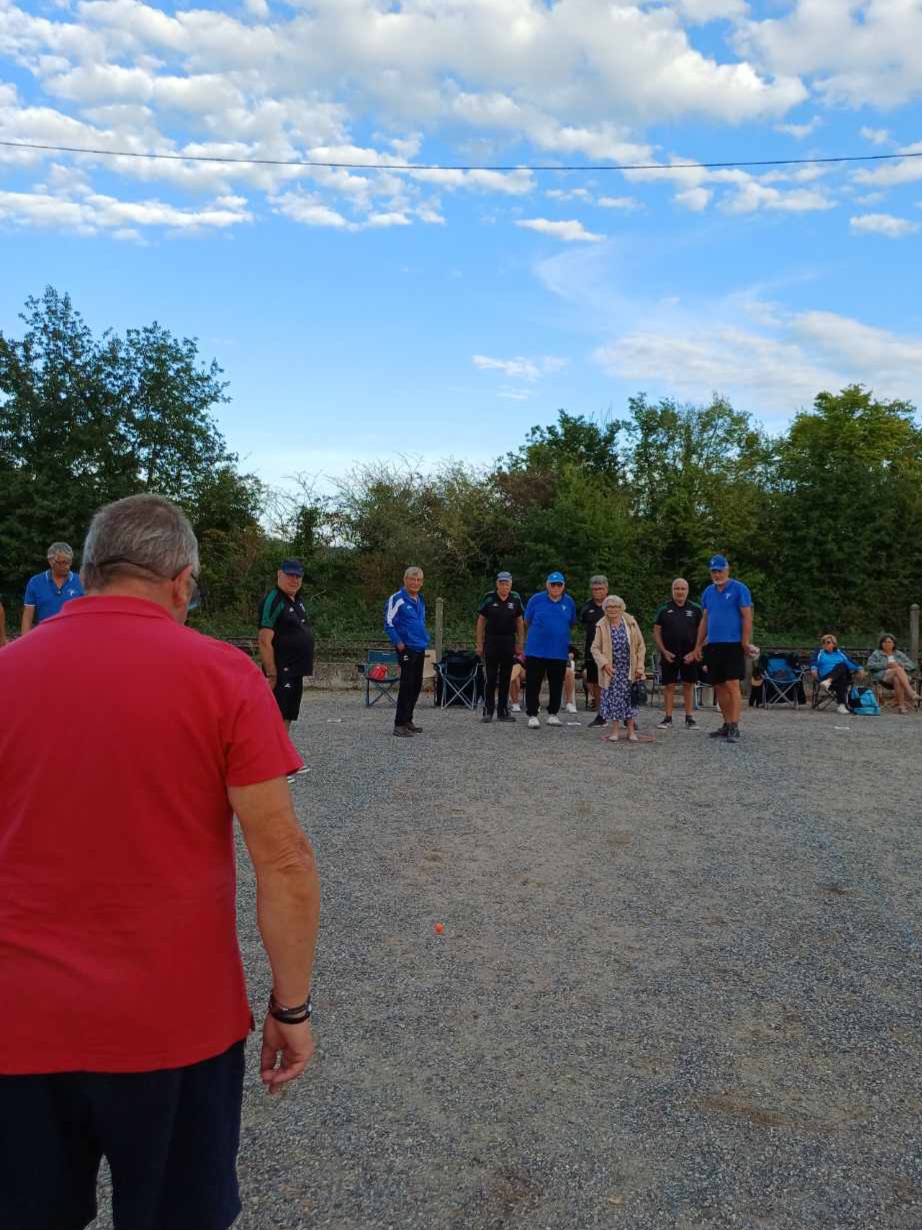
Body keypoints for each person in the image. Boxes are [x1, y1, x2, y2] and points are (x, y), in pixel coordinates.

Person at [0, 494, 320, 1230]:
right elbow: (285, 861)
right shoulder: (222, 675)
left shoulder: (9, 671)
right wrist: (290, 1005)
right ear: (182, 581)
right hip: (174, 1026)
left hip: (19, 1024)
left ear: (84, 573)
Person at [693, 554, 753, 744]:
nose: (717, 575)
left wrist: (744, 642)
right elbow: (704, 619)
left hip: (732, 644)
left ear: (727, 570)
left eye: (720, 571)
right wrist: (698, 645)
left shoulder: (739, 589)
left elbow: (747, 617)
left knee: (732, 684)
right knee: (718, 685)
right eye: (714, 571)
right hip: (714, 645)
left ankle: (735, 725)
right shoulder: (708, 592)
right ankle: (726, 723)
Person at [258, 560, 315, 739]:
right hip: (282, 670)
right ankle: (274, 759)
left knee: (288, 714)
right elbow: (264, 640)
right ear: (279, 574)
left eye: (298, 576)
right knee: (277, 715)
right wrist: (271, 674)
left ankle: (282, 757)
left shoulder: (297, 601)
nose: (295, 580)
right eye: (290, 575)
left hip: (295, 670)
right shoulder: (274, 600)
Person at [523, 571, 577, 729]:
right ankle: (532, 714)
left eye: (559, 584)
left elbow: (572, 622)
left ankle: (553, 714)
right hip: (536, 650)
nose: (556, 587)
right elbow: (527, 620)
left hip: (558, 651)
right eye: (553, 584)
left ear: (563, 586)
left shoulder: (569, 602)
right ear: (547, 585)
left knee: (556, 683)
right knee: (533, 683)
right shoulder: (536, 599)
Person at [591, 595, 646, 742]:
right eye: (609, 607)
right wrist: (604, 664)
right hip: (612, 670)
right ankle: (614, 731)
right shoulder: (601, 625)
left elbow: (641, 646)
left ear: (621, 608)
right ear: (605, 609)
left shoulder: (631, 622)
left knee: (630, 700)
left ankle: (631, 731)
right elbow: (594, 648)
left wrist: (640, 667)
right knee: (614, 700)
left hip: (630, 668)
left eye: (615, 607)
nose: (613, 609)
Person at [385, 566, 429, 736]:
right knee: (407, 685)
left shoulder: (421, 599)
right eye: (412, 579)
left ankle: (408, 719)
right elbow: (388, 623)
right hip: (406, 648)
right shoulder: (397, 599)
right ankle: (399, 723)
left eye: (418, 580)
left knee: (416, 685)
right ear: (405, 580)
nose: (415, 583)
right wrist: (399, 642)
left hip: (419, 647)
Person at [475, 571, 524, 723]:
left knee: (505, 677)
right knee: (490, 677)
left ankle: (503, 710)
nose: (504, 586)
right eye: (501, 583)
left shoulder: (515, 598)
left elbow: (519, 622)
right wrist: (479, 643)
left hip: (508, 641)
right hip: (491, 641)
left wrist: (520, 643)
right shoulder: (489, 598)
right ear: (497, 584)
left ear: (510, 585)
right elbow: (481, 621)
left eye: (507, 583)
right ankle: (488, 710)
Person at [653, 578, 703, 730]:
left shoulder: (696, 609)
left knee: (689, 684)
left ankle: (689, 718)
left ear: (687, 591)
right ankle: (668, 718)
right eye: (677, 589)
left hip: (690, 654)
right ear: (672, 590)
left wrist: (696, 652)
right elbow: (656, 631)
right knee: (669, 685)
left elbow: (704, 631)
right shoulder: (664, 608)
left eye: (683, 589)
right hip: (670, 653)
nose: (680, 592)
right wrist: (663, 651)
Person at [20, 541, 84, 633]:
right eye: (63, 563)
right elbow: (28, 615)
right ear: (51, 561)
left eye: (69, 562)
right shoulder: (35, 582)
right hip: (44, 637)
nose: (67, 567)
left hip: (73, 636)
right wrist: (24, 643)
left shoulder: (81, 582)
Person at [580, 575, 609, 726]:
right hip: (592, 651)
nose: (597, 591)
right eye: (595, 589)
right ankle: (601, 715)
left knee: (618, 683)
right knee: (596, 683)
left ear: (606, 589)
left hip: (612, 652)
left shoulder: (613, 604)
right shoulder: (586, 607)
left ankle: (625, 717)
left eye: (600, 588)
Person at [866, 634, 919, 714]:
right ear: (881, 644)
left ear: (894, 644)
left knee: (897, 678)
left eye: (889, 642)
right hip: (884, 677)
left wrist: (902, 665)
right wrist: (886, 665)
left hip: (901, 678)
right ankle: (911, 692)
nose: (887, 643)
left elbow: (912, 665)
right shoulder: (876, 653)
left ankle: (901, 707)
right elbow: (869, 666)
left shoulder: (898, 654)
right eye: (884, 642)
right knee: (897, 669)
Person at [809, 635, 861, 715]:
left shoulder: (840, 653)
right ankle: (841, 705)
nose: (825, 644)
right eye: (823, 642)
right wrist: (813, 668)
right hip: (826, 676)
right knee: (842, 676)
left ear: (834, 644)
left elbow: (851, 662)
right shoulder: (819, 652)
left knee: (841, 665)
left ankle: (829, 681)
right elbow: (813, 661)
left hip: (830, 681)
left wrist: (859, 668)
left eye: (828, 642)